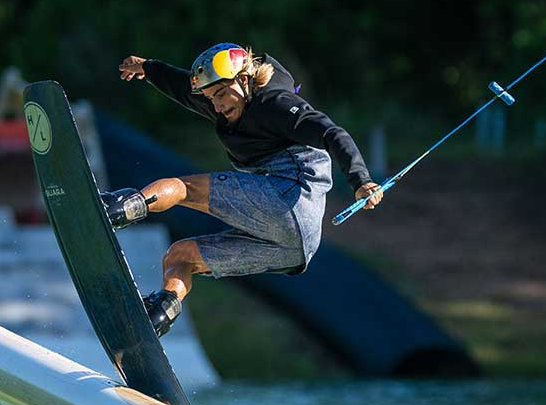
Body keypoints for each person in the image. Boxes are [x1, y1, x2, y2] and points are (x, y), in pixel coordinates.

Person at [105, 44, 383, 336]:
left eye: (222, 94)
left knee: (184, 188)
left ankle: (118, 209)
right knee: (180, 256)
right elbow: (182, 87)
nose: (218, 106)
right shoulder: (225, 103)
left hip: (288, 198)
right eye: (211, 98)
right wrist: (147, 68)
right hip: (294, 250)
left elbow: (331, 133)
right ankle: (157, 316)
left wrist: (360, 180)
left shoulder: (276, 104)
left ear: (245, 79)